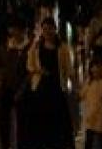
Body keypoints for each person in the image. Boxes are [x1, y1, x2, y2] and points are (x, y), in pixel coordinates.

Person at [20, 15, 74, 149]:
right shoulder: (37, 46)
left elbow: (68, 68)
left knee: (58, 120)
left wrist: (72, 85)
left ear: (54, 29)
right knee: (41, 120)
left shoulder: (62, 47)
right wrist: (39, 70)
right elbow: (29, 65)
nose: (47, 32)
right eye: (44, 29)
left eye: (50, 29)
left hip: (56, 87)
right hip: (41, 87)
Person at [0, 18, 30, 149]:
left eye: (16, 29)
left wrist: (22, 89)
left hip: (23, 89)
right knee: (3, 119)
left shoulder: (29, 47)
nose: (13, 31)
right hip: (6, 87)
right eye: (11, 28)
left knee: (23, 120)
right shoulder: (6, 46)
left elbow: (30, 72)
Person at [81, 52, 102, 149]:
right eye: (93, 67)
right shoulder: (89, 82)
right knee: (89, 142)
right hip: (90, 118)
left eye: (98, 66)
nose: (94, 69)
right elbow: (82, 95)